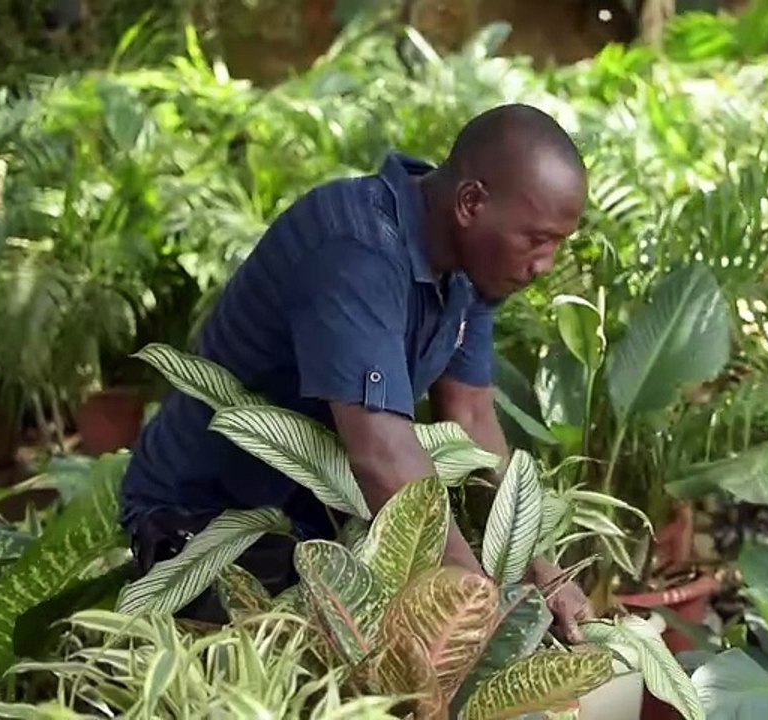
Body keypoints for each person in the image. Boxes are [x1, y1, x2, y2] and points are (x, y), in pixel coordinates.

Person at [119, 103, 595, 642]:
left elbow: (470, 412)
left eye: (558, 243)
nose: (545, 264)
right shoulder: (354, 252)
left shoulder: (470, 268)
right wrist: (474, 600)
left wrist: (537, 568)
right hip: (204, 522)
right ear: (471, 203)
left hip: (319, 521)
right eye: (537, 239)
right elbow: (381, 452)